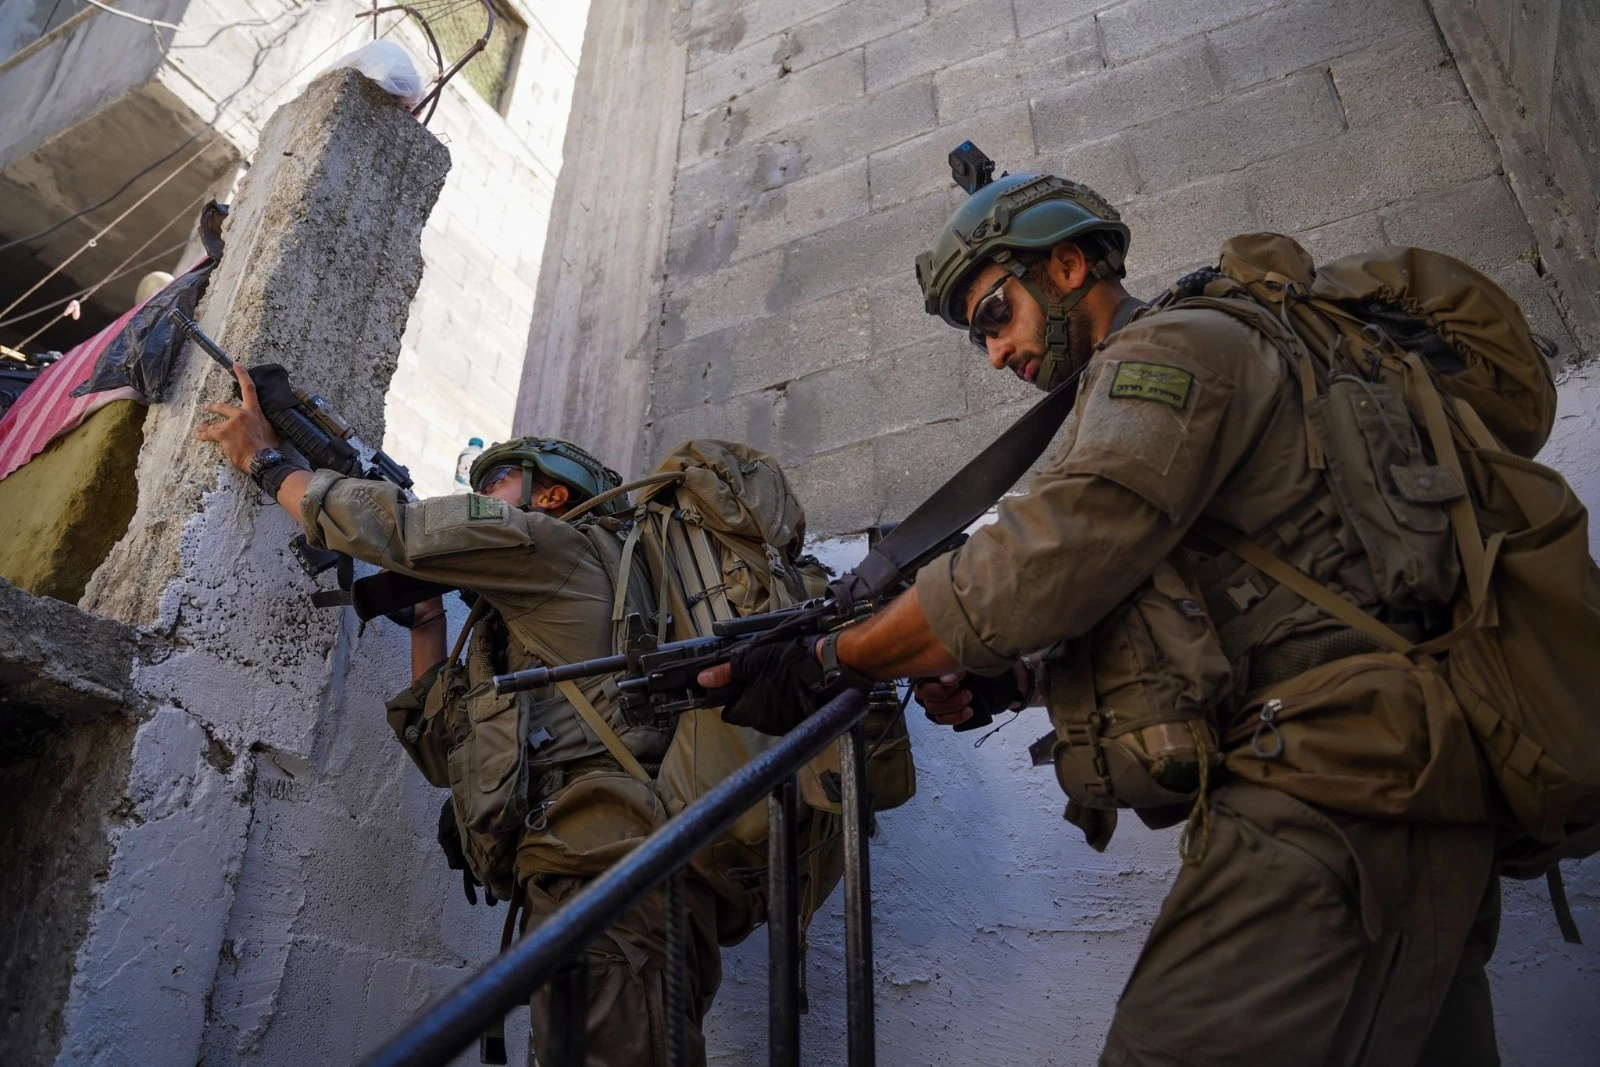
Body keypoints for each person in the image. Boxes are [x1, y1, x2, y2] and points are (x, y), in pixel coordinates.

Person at [702, 171, 1506, 1066]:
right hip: (1402, 775)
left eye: (993, 317)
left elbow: (1042, 560)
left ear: (1070, 265)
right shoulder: (1165, 373)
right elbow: (1212, 604)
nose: (996, 354)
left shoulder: (1172, 352)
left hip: (1333, 781)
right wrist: (1015, 677)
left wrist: (835, 657)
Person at [196, 381, 721, 1065]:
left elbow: (407, 529)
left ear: (551, 495)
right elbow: (446, 756)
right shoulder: (525, 624)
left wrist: (267, 462)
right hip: (581, 874)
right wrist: (428, 622)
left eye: (494, 482)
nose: (475, 498)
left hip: (609, 874)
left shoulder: (555, 545)